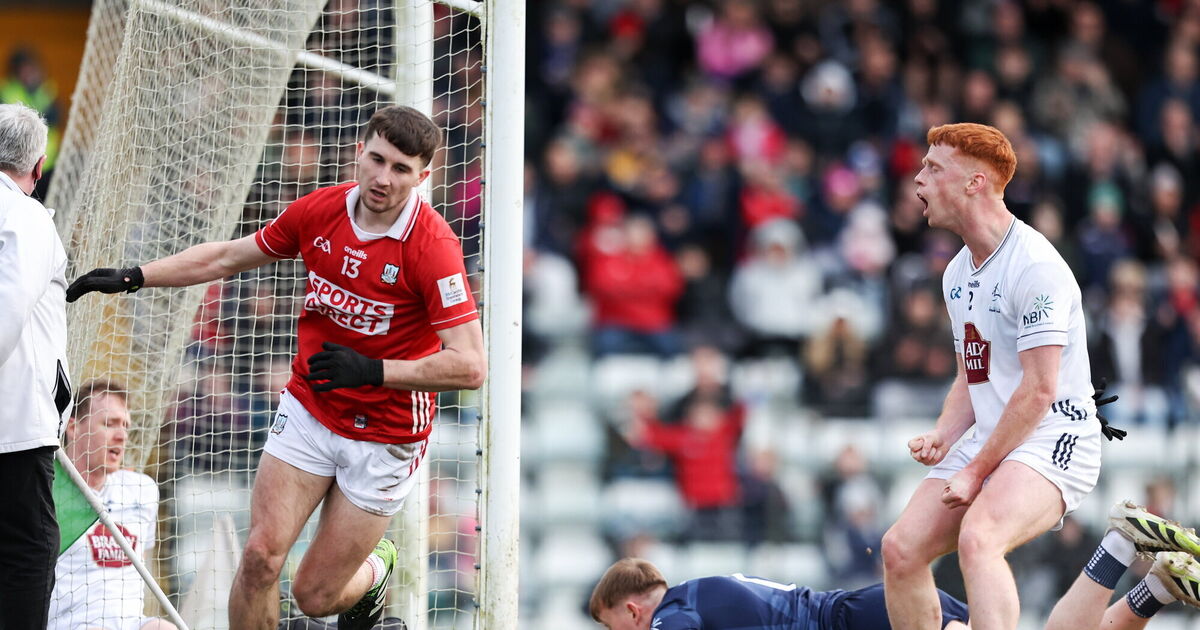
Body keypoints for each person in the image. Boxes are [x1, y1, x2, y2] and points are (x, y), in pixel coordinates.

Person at [66, 105, 487, 630]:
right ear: (359, 152)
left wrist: (374, 371)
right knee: (260, 560)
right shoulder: (320, 210)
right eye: (376, 159)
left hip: (386, 433)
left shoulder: (434, 247)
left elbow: (470, 366)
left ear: (422, 176)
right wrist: (134, 276)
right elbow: (224, 258)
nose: (383, 178)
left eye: (401, 169)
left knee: (313, 595)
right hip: (310, 409)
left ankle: (376, 570)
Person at [881, 122, 1108, 630]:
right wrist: (945, 434)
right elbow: (972, 373)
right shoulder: (956, 272)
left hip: (1054, 434)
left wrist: (975, 469)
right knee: (900, 550)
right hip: (996, 435)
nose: (917, 179)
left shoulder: (1035, 268)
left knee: (979, 540)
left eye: (933, 168)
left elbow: (1039, 389)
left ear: (974, 183)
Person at [587, 500, 1200, 630]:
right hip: (861, 613)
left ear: (634, 606)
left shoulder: (672, 614)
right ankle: (1153, 588)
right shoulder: (697, 593)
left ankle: (1118, 548)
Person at [0, 101, 71, 629]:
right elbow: (10, 304)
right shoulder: (24, 218)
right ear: (38, 167)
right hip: (15, 428)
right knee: (30, 551)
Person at [49, 380, 177, 630]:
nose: (121, 436)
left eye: (125, 426)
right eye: (109, 424)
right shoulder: (50, 490)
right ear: (74, 428)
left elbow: (140, 563)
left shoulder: (142, 490)